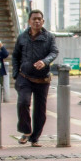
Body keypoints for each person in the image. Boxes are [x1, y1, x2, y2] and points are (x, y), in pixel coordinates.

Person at [12, 9, 59, 146]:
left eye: (39, 19)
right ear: (29, 21)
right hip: (24, 77)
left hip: (42, 79)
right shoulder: (22, 37)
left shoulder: (49, 37)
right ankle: (26, 131)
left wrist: (45, 61)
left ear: (43, 21)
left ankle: (35, 138)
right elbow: (15, 56)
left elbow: (54, 52)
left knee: (40, 110)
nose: (37, 21)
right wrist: (16, 74)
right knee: (23, 102)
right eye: (34, 19)